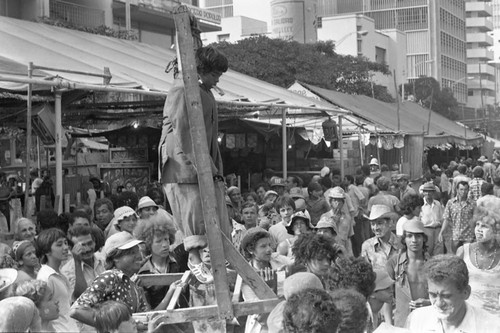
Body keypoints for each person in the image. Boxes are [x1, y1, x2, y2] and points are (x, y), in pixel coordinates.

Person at [159, 45, 230, 283]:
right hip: (182, 162)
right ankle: (194, 257)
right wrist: (205, 166)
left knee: (204, 206)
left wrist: (211, 166)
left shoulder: (203, 90)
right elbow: (185, 131)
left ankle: (208, 256)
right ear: (201, 70)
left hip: (197, 160)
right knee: (193, 206)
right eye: (215, 74)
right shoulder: (182, 90)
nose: (217, 79)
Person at [405, 254, 500, 332]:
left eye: (446, 296)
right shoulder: (416, 320)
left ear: (466, 292)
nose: (438, 303)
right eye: (433, 295)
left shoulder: (492, 327)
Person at [240, 227, 290, 333]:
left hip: (284, 321)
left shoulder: (279, 261)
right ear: (251, 250)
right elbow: (256, 310)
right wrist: (269, 290)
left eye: (269, 245)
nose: (269, 250)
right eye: (263, 246)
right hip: (261, 327)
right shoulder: (247, 275)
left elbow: (295, 264)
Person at [456, 199, 500, 315]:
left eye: (484, 226)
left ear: (496, 230)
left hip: (494, 319)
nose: (479, 229)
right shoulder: (463, 252)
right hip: (468, 316)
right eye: (477, 224)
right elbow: (452, 285)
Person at [134, 213, 185, 309]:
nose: (165, 244)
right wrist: (170, 293)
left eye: (166, 239)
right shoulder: (143, 272)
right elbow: (151, 313)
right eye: (159, 241)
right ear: (149, 244)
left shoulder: (179, 261)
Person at [386, 219, 430, 327]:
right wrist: (389, 326)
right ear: (404, 239)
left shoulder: (432, 265)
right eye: (410, 236)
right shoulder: (394, 263)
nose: (414, 240)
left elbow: (441, 295)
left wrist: (429, 303)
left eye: (418, 236)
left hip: (426, 321)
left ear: (424, 239)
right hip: (401, 322)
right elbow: (386, 297)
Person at [361, 204, 400, 326]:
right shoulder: (367, 246)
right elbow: (365, 276)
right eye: (373, 224)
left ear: (390, 223)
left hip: (399, 299)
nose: (375, 228)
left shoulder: (401, 244)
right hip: (377, 300)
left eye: (380, 223)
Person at [35, 228, 79, 332]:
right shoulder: (46, 277)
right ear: (47, 251)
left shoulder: (60, 274)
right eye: (59, 245)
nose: (65, 247)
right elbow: (42, 311)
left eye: (65, 243)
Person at [61, 225, 105, 301]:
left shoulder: (104, 260)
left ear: (95, 242)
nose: (87, 249)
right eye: (82, 246)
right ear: (71, 249)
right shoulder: (67, 271)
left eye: (90, 243)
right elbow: (80, 297)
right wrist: (77, 263)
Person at [439, 181, 476, 254]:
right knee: (456, 258)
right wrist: (441, 232)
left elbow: (475, 220)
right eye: (461, 189)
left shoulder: (473, 204)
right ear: (457, 190)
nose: (463, 192)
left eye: (465, 189)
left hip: (469, 237)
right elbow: (446, 219)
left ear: (468, 190)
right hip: (456, 236)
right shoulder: (451, 203)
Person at [320, 186, 354, 255]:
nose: (337, 203)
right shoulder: (325, 217)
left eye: (340, 200)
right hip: (329, 251)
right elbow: (321, 238)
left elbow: (348, 237)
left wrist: (350, 254)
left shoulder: (347, 217)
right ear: (330, 202)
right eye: (335, 200)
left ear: (343, 202)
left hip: (343, 250)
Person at [420, 182, 444, 256]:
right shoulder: (421, 205)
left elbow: (442, 218)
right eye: (426, 191)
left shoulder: (437, 204)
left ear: (433, 192)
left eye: (430, 191)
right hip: (426, 230)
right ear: (423, 193)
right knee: (427, 252)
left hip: (437, 230)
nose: (428, 193)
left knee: (438, 252)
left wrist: (441, 232)